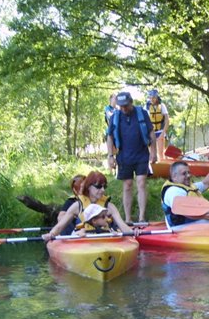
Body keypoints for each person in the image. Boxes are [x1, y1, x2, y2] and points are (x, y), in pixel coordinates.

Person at [106, 91, 157, 224]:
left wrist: (154, 152)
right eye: (121, 106)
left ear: (131, 102)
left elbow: (151, 132)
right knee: (127, 185)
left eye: (126, 106)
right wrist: (110, 156)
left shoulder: (141, 113)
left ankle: (141, 217)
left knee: (141, 183)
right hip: (123, 156)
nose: (124, 108)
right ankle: (128, 219)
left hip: (141, 154)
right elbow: (109, 137)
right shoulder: (115, 117)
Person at [42, 171, 135, 241]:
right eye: (98, 186)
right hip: (83, 241)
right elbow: (60, 226)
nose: (102, 190)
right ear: (89, 187)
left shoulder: (109, 206)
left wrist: (133, 232)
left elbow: (122, 225)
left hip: (104, 239)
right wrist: (51, 234)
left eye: (104, 187)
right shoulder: (77, 206)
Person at [145, 89, 170, 161]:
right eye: (150, 97)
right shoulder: (146, 107)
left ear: (156, 97)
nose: (152, 99)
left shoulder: (162, 106)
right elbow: (144, 121)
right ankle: (152, 170)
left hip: (160, 131)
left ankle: (162, 168)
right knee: (151, 154)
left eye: (153, 97)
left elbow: (167, 120)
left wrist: (163, 133)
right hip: (151, 131)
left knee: (161, 153)